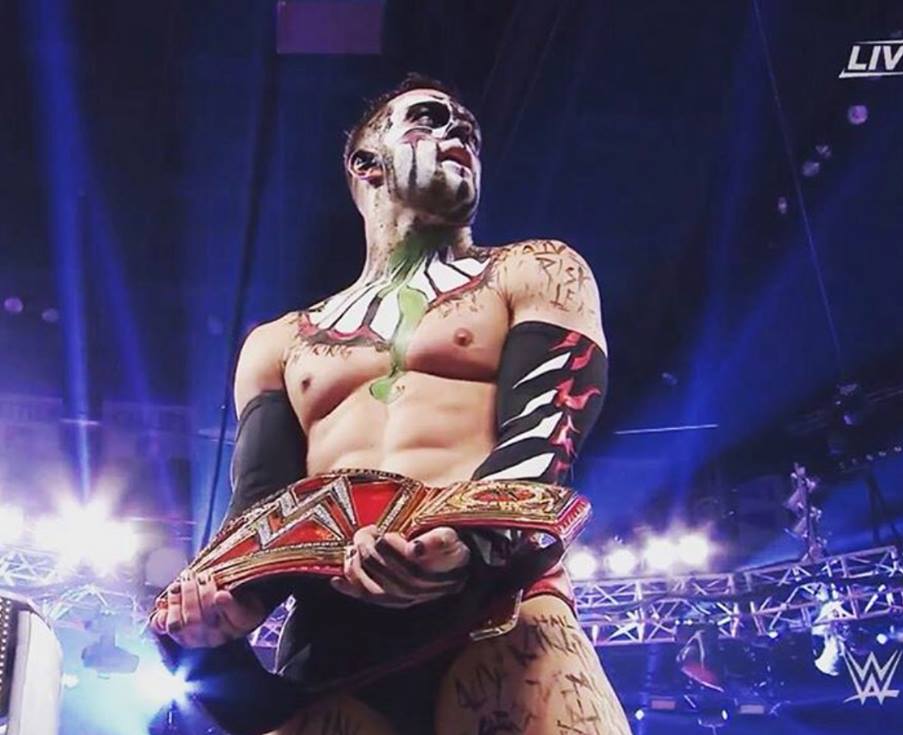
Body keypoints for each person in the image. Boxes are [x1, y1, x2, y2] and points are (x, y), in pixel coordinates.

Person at [150, 73, 630, 735]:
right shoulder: (279, 343)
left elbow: (547, 432)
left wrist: (465, 545)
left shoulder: (535, 270)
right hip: (332, 639)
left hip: (497, 604)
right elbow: (261, 504)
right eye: (431, 118)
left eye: (471, 132)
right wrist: (216, 611)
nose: (459, 134)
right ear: (366, 163)